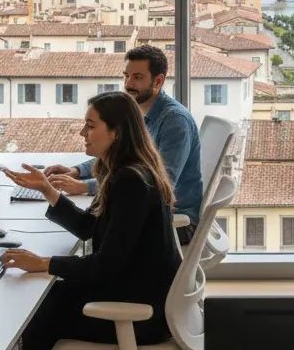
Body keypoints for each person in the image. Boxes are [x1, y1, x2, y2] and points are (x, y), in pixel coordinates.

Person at [0, 91, 181, 350]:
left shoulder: (130, 181)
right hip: (140, 294)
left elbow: (105, 264)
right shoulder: (127, 171)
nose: (83, 133)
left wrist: (44, 264)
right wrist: (48, 191)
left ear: (116, 132)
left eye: (90, 125)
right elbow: (91, 230)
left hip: (143, 315)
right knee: (50, 301)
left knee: (37, 323)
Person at [44, 45, 203, 237]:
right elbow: (121, 155)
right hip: (147, 213)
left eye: (137, 77)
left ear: (158, 81)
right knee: (90, 226)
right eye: (126, 76)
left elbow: (160, 184)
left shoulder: (175, 122)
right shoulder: (138, 113)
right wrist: (77, 172)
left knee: (95, 231)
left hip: (174, 223)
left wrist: (86, 187)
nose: (128, 84)